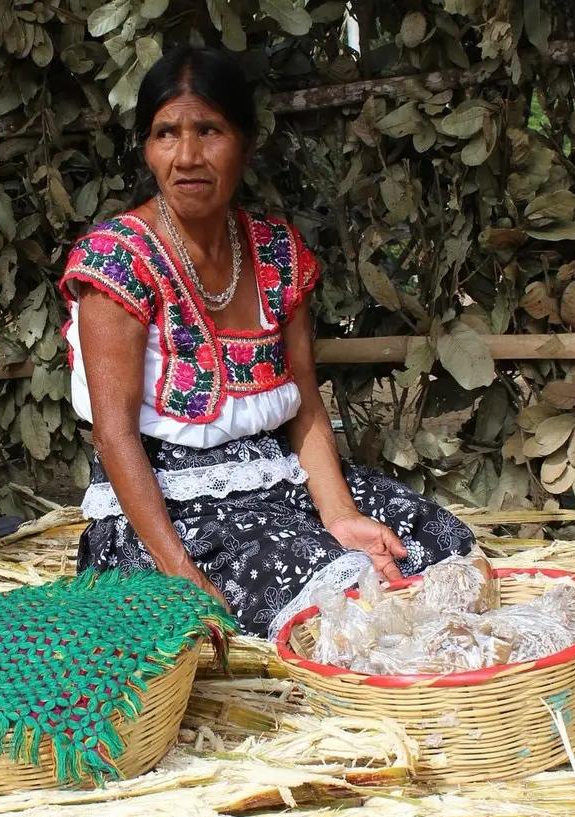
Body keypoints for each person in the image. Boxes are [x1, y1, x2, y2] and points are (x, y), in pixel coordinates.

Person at [58, 45, 477, 641]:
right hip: (168, 510)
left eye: (210, 130)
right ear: (147, 149)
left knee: (436, 544)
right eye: (166, 134)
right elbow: (114, 434)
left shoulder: (277, 254)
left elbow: (304, 404)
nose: (187, 157)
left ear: (246, 142)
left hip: (277, 475)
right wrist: (179, 572)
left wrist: (338, 513)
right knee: (348, 598)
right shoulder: (117, 261)